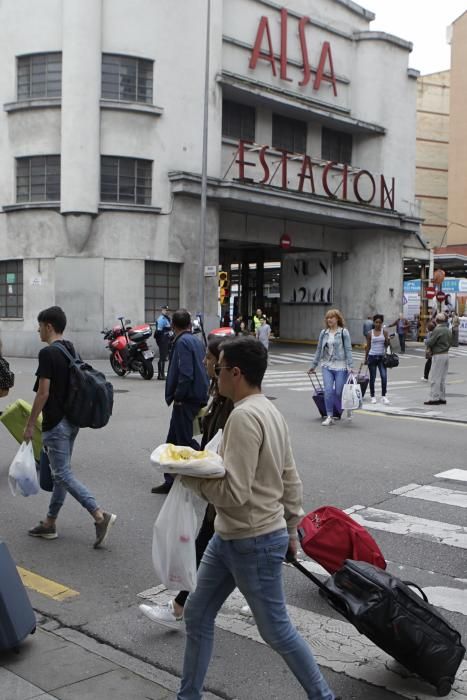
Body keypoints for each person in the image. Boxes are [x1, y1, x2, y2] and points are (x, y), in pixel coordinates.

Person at [175, 337, 336, 700]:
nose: (214, 376)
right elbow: (290, 477)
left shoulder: (244, 416)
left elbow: (234, 494)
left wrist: (188, 477)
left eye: (218, 370)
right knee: (197, 614)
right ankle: (188, 696)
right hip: (230, 538)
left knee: (277, 630)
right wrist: (292, 529)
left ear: (236, 372)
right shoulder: (268, 411)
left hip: (253, 541)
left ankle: (324, 697)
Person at [140, 335, 234, 627]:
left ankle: (181, 607)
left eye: (210, 358)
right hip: (223, 509)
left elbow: (224, 456)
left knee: (211, 546)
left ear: (224, 366)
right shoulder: (218, 394)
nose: (205, 362)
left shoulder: (235, 405)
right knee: (207, 546)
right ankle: (181, 607)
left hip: (230, 508)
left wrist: (193, 473)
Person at [23, 306, 116, 546]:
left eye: (40, 325)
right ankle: (50, 522)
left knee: (61, 473)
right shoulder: (69, 348)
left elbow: (42, 393)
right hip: (72, 420)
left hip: (55, 423)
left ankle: (99, 515)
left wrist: (30, 424)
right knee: (60, 474)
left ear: (49, 326)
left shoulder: (48, 354)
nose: (38, 330)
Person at [151, 309, 209, 494]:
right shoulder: (195, 340)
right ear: (189, 325)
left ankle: (210, 465)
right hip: (196, 395)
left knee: (183, 441)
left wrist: (178, 395)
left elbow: (186, 373)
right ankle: (170, 480)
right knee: (172, 442)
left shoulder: (182, 342)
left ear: (173, 326)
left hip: (186, 399)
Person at [308, 309, 354, 426]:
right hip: (327, 366)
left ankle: (347, 408)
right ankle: (330, 416)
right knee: (328, 391)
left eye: (332, 317)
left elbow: (348, 350)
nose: (329, 319)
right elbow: (319, 350)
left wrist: (351, 365)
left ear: (337, 319)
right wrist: (313, 365)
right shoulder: (324, 333)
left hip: (341, 366)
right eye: (328, 318)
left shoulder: (344, 332)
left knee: (339, 392)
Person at [424, 312, 452, 406]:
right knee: (442, 378)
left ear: (437, 320)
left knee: (434, 377)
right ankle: (442, 397)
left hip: (438, 355)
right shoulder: (448, 330)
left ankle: (434, 398)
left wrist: (426, 341)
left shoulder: (437, 330)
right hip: (446, 354)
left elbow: (430, 342)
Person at [364, 314, 390, 405]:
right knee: (373, 378)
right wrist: (365, 358)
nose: (378, 324)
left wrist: (388, 340)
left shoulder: (385, 332)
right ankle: (373, 396)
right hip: (372, 357)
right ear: (374, 323)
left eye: (380, 322)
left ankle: (383, 396)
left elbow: (386, 345)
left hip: (382, 358)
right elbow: (368, 346)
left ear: (382, 323)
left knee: (384, 376)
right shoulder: (370, 333)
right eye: (376, 322)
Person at [154, 305, 172, 380]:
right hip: (163, 340)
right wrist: (161, 341)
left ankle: (162, 374)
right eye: (165, 310)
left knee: (164, 357)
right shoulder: (161, 319)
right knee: (162, 357)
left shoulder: (167, 318)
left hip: (167, 339)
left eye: (167, 310)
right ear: (162, 310)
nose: (166, 311)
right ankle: (160, 375)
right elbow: (158, 331)